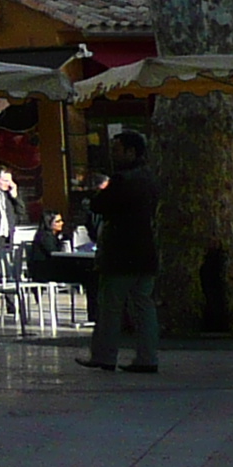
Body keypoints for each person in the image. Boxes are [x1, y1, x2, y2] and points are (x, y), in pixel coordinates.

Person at [83, 132, 163, 374]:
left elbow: (99, 205)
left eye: (117, 149)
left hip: (120, 253)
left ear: (131, 151)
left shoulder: (122, 179)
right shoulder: (150, 178)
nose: (113, 153)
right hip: (146, 251)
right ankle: (148, 357)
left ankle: (105, 356)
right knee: (144, 306)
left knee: (110, 306)